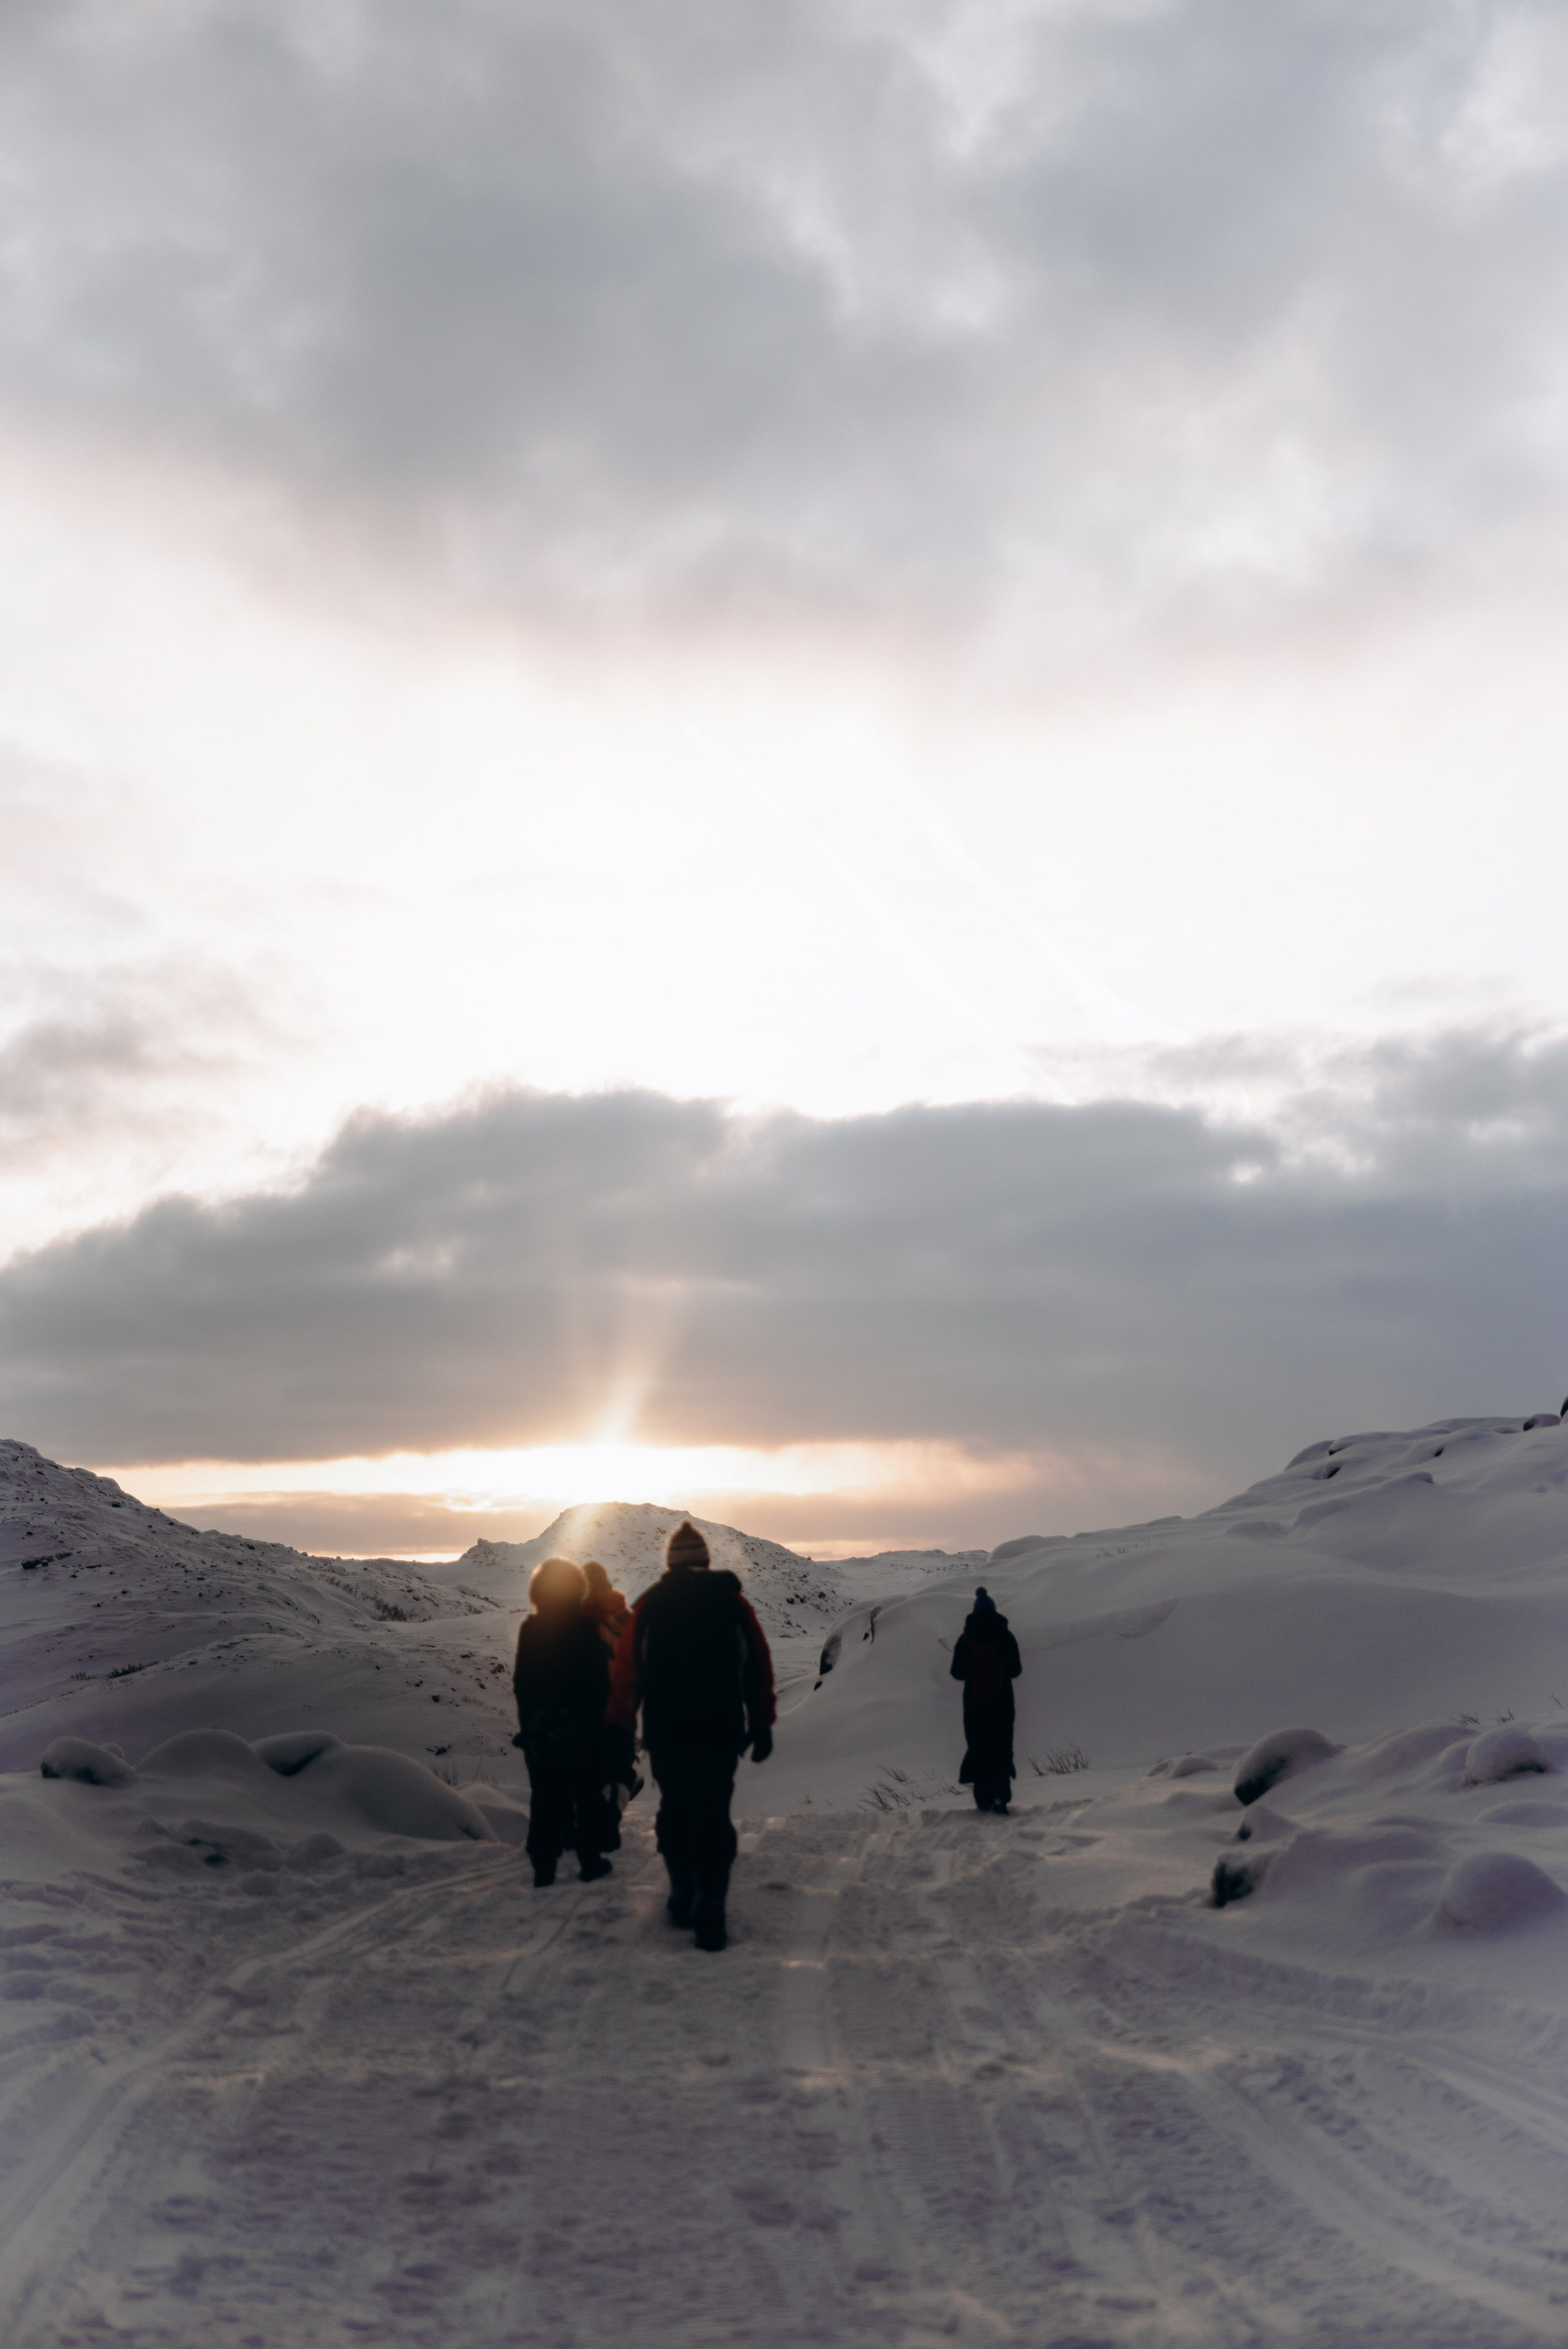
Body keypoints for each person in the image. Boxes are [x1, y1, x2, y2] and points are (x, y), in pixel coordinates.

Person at [607, 1520, 774, 1951]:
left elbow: (626, 1670)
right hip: (720, 1729)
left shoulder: (649, 1604)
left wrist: (621, 1723)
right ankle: (712, 1906)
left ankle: (683, 1892)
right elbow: (757, 1664)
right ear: (705, 1559)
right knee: (714, 1812)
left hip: (667, 1730)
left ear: (670, 1562)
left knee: (677, 1807)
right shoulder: (733, 1602)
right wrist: (761, 1724)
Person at [512, 1555, 615, 1888]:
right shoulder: (584, 1629)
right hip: (582, 1726)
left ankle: (544, 1866)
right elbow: (599, 1682)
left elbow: (522, 1682)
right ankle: (589, 1861)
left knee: (544, 1796)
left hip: (542, 1726)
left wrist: (529, 1725)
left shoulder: (531, 1629)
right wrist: (598, 1722)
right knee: (586, 1794)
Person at [951, 1586, 1022, 1814]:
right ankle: (1001, 1796)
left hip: (974, 1704)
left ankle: (983, 1800)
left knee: (979, 1747)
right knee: (1001, 1746)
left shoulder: (966, 1639)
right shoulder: (1005, 1635)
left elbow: (957, 1673)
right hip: (1002, 1703)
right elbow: (1015, 1670)